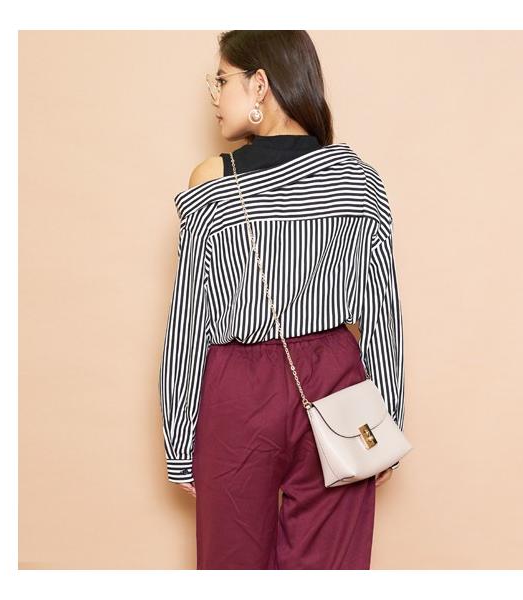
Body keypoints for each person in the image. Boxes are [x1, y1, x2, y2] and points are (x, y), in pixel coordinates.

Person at [158, 30, 405, 569]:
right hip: (336, 379)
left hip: (239, 387)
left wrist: (179, 440)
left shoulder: (211, 180)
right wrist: (386, 422)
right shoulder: (360, 179)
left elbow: (189, 321)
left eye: (222, 80)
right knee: (330, 567)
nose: (215, 95)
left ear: (260, 84)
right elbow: (381, 314)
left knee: (232, 563)